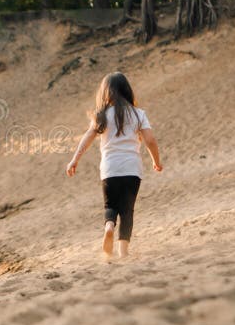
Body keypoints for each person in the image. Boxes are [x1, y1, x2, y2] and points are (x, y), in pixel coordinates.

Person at [65, 72, 162, 258]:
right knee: (127, 210)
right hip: (132, 168)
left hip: (109, 169)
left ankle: (109, 225)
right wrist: (156, 161)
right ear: (127, 90)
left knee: (110, 205)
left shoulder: (101, 116)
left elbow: (86, 139)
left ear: (105, 93)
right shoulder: (138, 114)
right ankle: (123, 252)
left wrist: (74, 160)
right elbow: (150, 140)